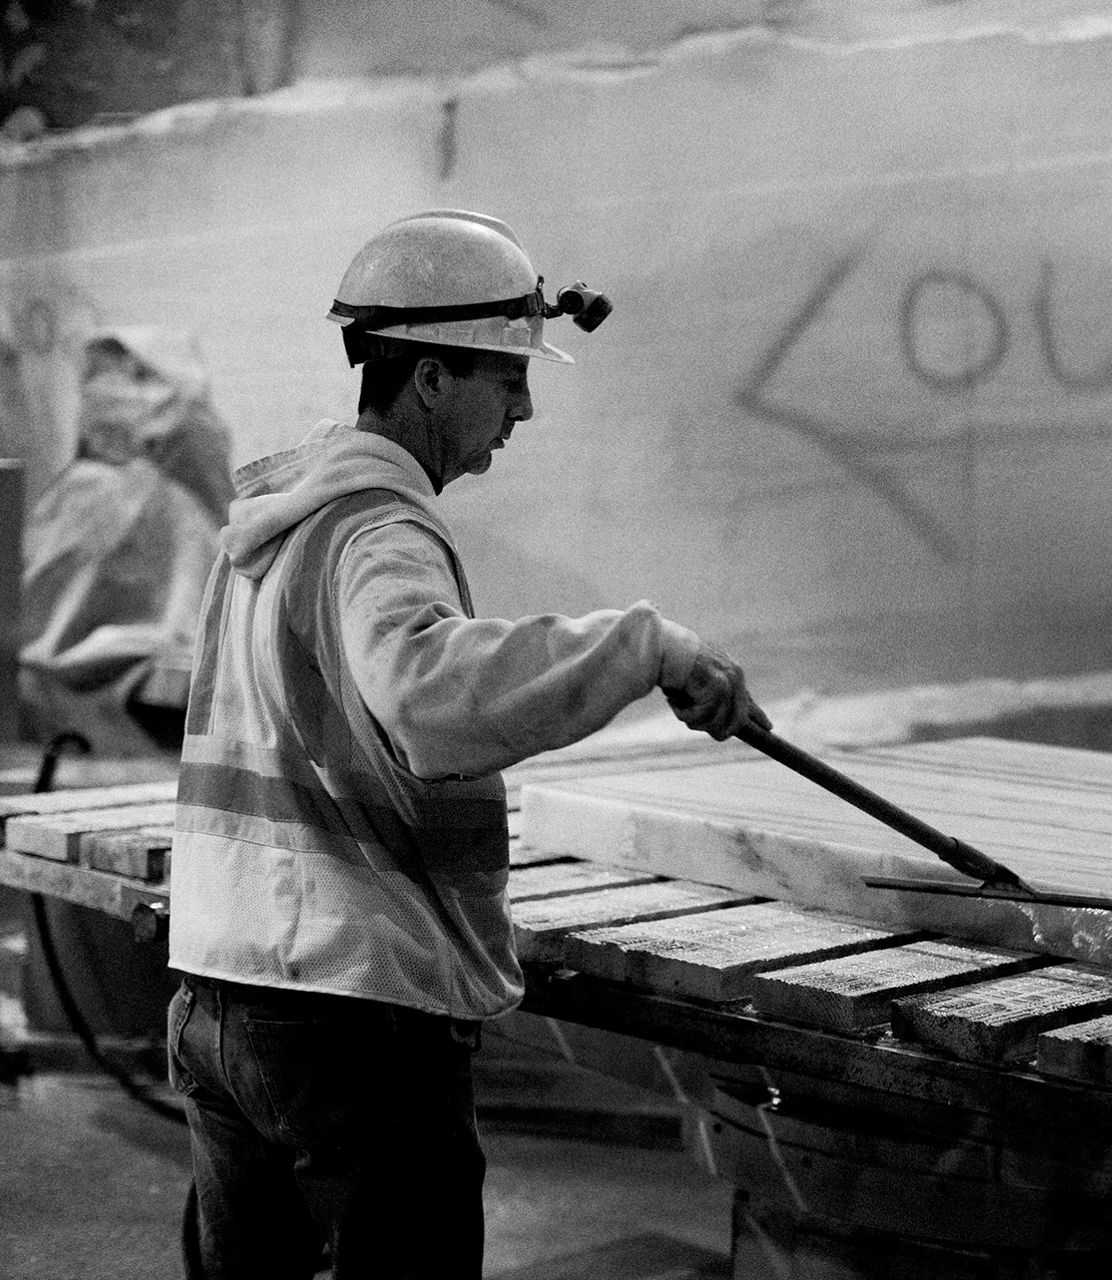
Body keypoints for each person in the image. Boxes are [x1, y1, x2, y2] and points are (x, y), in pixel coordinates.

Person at [164, 209, 768, 1279]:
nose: (525, 405)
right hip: (349, 1017)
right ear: (431, 379)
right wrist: (649, 648)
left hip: (222, 990)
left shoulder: (278, 521)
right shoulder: (378, 529)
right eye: (507, 377)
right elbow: (430, 694)